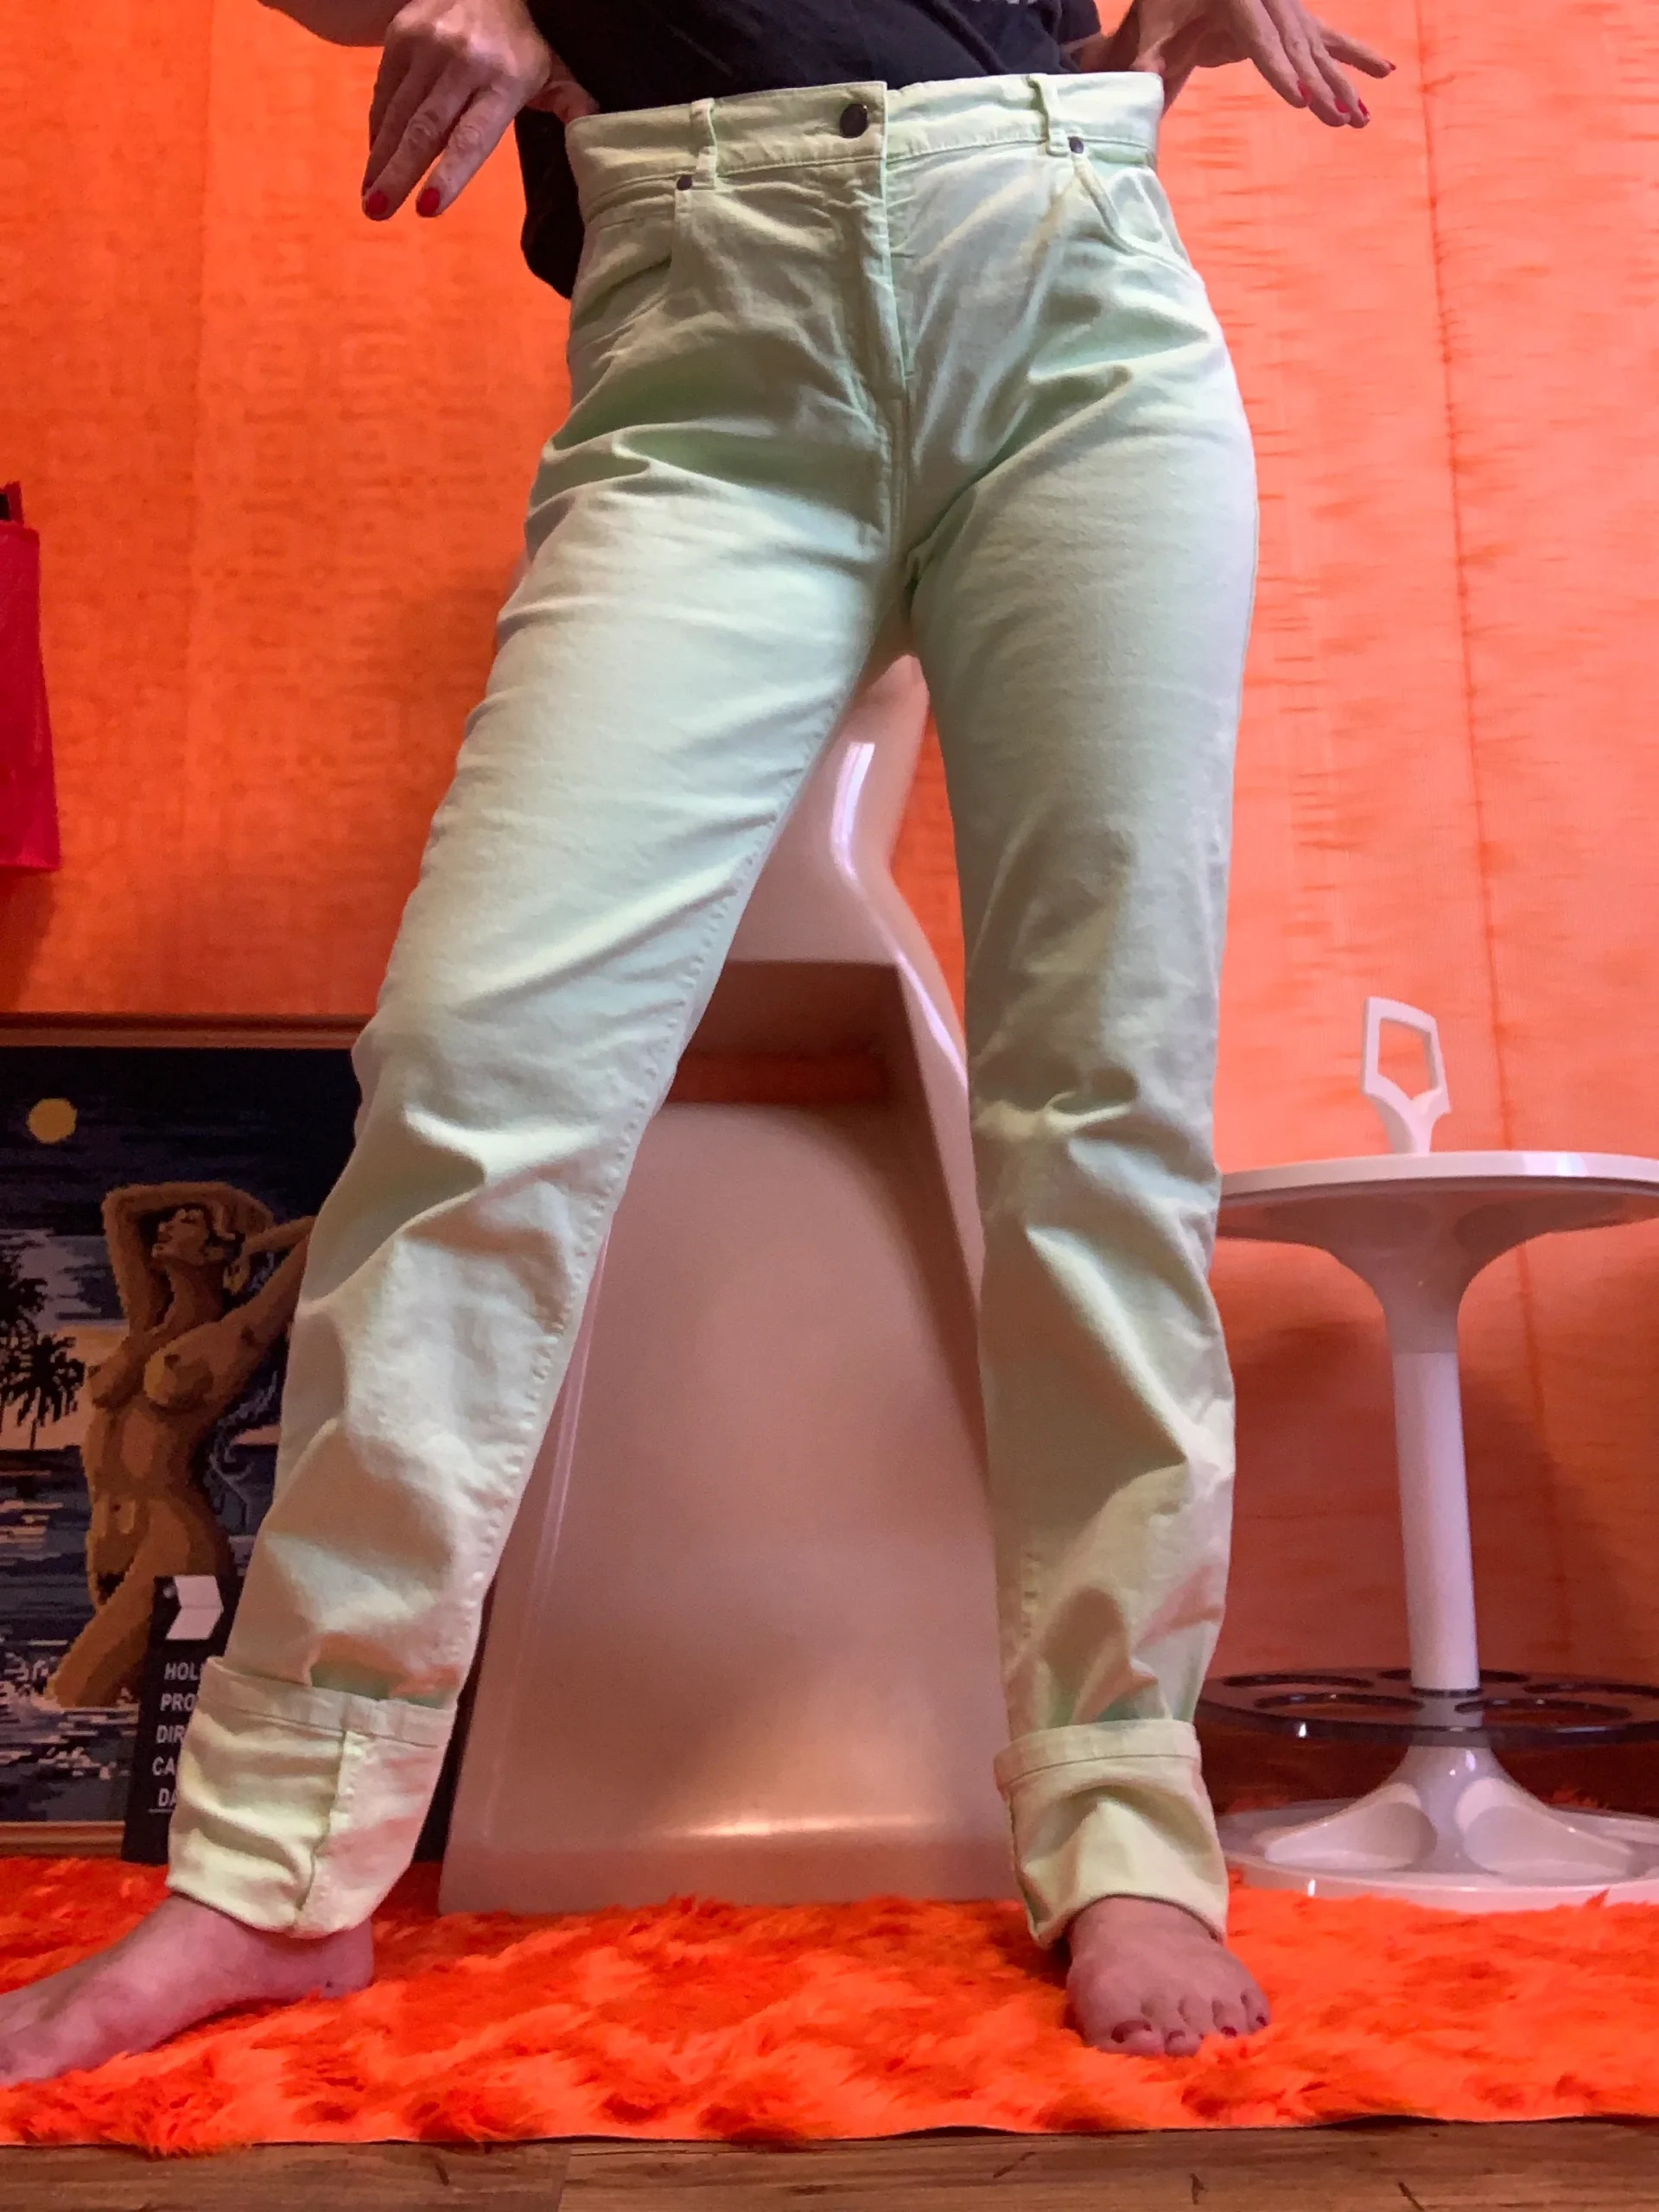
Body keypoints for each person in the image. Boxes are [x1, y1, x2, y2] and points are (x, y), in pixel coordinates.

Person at [0, 0, 1390, 2083]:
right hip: (706, 309)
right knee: (473, 1074)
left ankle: (1119, 1809)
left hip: (1064, 259)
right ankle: (281, 1860)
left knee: (1101, 1096)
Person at [48, 1185, 315, 1709]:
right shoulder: (148, 1323)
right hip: (108, 1548)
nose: (166, 1224)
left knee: (69, 1700)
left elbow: (319, 1232)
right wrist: (214, 1195)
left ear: (218, 1252)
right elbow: (120, 1207)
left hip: (175, 1551)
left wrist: (252, 1244)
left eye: (187, 1220)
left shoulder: (236, 1334)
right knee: (133, 1720)